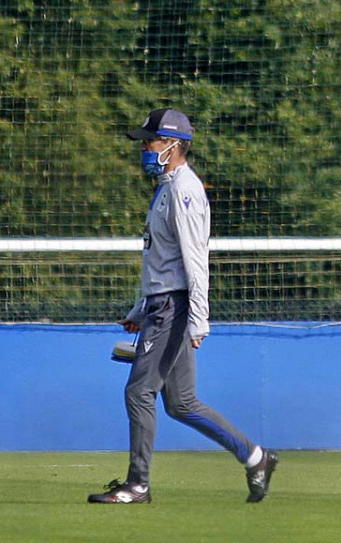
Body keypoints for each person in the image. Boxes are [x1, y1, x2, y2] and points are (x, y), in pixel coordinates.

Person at [87, 108, 278, 504]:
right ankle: (256, 458)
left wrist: (197, 319)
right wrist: (142, 308)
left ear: (173, 145)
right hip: (162, 305)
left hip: (173, 308)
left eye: (150, 140)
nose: (143, 147)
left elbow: (195, 259)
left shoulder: (183, 190)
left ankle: (138, 484)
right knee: (182, 403)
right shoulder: (167, 186)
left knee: (139, 393)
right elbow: (163, 259)